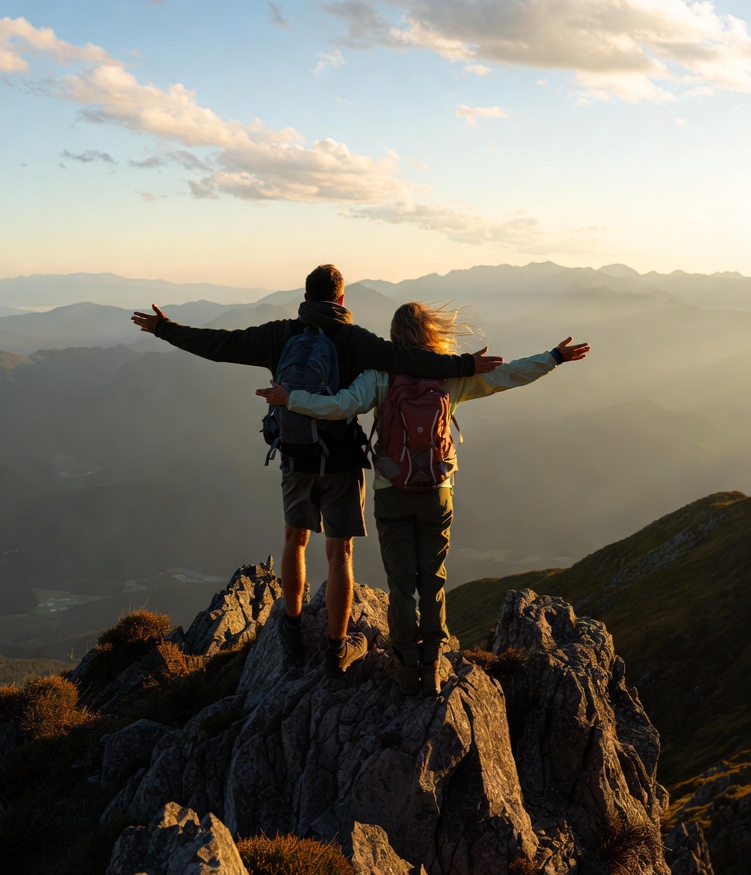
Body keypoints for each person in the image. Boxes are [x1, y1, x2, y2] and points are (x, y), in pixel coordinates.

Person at [131, 267, 504, 680]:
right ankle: (336, 648)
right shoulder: (354, 340)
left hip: (296, 456)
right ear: (342, 301)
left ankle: (291, 631)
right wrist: (465, 363)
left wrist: (165, 328)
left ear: (305, 296)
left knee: (295, 540)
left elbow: (220, 344)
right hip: (342, 461)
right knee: (338, 552)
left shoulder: (280, 335)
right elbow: (408, 360)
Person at [256, 301, 590, 696]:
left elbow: (339, 406)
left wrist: (289, 399)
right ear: (432, 332)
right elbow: (508, 375)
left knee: (400, 586)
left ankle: (405, 666)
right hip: (438, 492)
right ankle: (432, 667)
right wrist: (553, 357)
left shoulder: (381, 375)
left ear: (395, 338)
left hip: (391, 491)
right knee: (432, 582)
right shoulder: (452, 375)